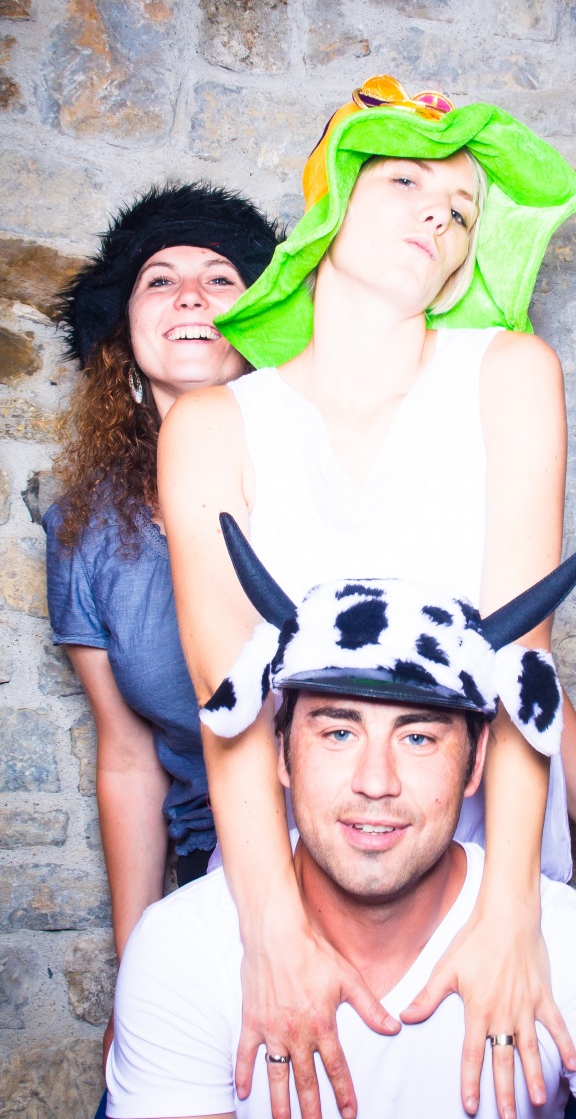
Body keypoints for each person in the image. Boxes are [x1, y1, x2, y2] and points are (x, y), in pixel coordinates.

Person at [159, 78, 576, 1119]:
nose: (438, 215)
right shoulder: (211, 427)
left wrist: (514, 909)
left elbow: (518, 664)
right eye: (406, 181)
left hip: (484, 854)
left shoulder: (510, 374)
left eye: (462, 208)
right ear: (331, 198)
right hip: (293, 865)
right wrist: (271, 936)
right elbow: (227, 707)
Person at [106, 539, 576, 1119]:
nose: (376, 781)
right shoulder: (184, 954)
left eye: (419, 738)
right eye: (339, 732)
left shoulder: (559, 946)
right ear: (281, 754)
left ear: (476, 764)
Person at [44, 183, 282, 1057]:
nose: (189, 294)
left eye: (220, 278)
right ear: (123, 334)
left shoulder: (324, 469)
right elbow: (128, 758)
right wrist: (138, 967)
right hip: (210, 883)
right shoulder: (84, 528)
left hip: (367, 852)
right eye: (160, 279)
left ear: (260, 320)